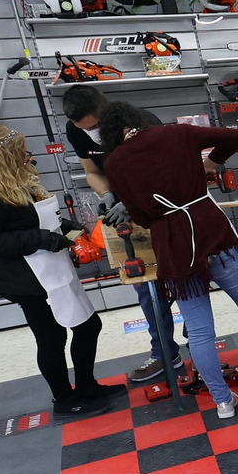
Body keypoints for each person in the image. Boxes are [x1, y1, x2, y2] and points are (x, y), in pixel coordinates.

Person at [100, 103, 238, 419]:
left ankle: (223, 402)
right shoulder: (178, 133)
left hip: (173, 246)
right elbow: (234, 137)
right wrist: (209, 164)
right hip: (212, 231)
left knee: (199, 332)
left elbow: (140, 216)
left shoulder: (114, 162)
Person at [0, 125, 122, 418]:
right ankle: (64, 400)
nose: (26, 155)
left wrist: (64, 227)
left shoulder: (18, 179)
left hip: (52, 268)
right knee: (52, 338)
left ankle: (86, 386)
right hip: (25, 279)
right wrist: (42, 239)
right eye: (18, 151)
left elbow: (29, 219)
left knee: (87, 325)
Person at [61, 85, 179, 383]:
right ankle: (165, 353)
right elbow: (92, 171)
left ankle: (202, 343)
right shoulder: (76, 129)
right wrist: (108, 195)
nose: (89, 134)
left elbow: (168, 174)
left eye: (93, 127)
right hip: (128, 216)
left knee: (186, 280)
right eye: (82, 129)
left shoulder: (142, 122)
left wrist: (134, 200)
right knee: (146, 288)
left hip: (167, 211)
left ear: (105, 113)